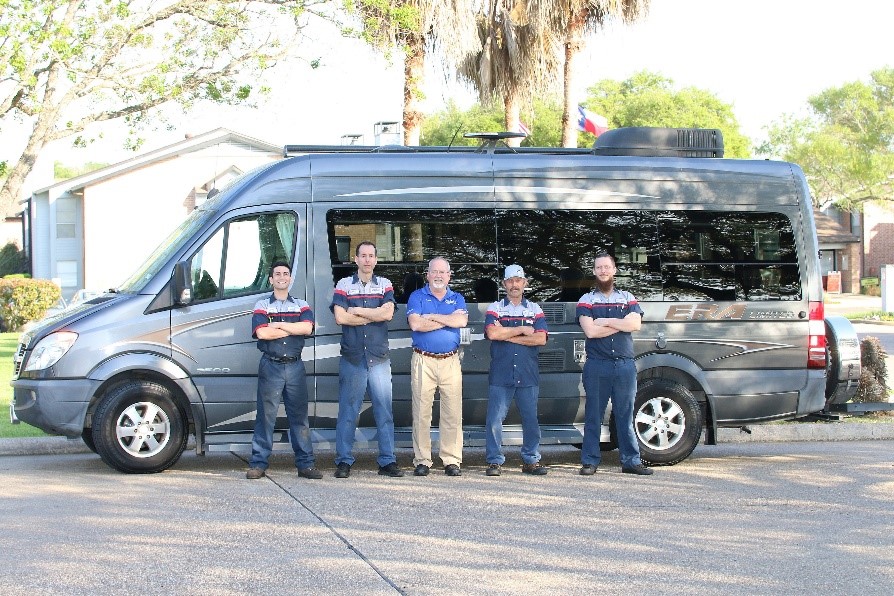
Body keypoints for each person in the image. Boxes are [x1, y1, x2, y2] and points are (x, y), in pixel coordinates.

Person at [331, 241, 404, 478]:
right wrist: (373, 316)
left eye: (371, 256)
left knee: (384, 412)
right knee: (348, 412)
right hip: (353, 358)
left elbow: (389, 313)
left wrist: (358, 311)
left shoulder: (385, 284)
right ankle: (343, 461)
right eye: (363, 256)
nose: (367, 260)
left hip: (378, 358)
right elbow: (340, 317)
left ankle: (387, 462)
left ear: (376, 260)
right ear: (356, 259)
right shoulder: (343, 284)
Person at [576, 253, 653, 476]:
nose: (603, 271)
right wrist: (622, 324)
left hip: (624, 365)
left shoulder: (628, 297)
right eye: (599, 267)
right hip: (597, 365)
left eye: (607, 267)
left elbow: (636, 324)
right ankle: (590, 461)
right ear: (594, 271)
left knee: (625, 415)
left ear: (614, 270)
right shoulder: (586, 300)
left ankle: (631, 461)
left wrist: (607, 322)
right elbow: (590, 330)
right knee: (593, 416)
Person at [246, 260, 322, 480]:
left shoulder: (301, 304)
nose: (281, 277)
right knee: (266, 417)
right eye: (277, 274)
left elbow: (307, 328)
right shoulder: (261, 304)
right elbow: (261, 333)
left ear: (290, 279)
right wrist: (292, 329)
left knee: (299, 418)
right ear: (271, 279)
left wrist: (277, 325)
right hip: (271, 365)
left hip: (295, 366)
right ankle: (258, 464)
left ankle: (305, 465)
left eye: (285, 274)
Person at [483, 264, 549, 477]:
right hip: (501, 373)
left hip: (527, 373)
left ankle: (531, 460)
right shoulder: (495, 307)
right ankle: (494, 461)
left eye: (518, 280)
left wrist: (506, 334)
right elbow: (492, 334)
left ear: (525, 283)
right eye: (510, 280)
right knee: (494, 420)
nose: (514, 284)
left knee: (531, 419)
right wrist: (521, 330)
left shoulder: (535, 309)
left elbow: (541, 338)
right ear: (504, 284)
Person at [406, 256, 468, 477]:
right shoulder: (417, 296)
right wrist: (447, 318)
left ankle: (451, 460)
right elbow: (416, 324)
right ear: (428, 274)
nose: (439, 276)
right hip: (424, 360)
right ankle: (422, 460)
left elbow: (461, 322)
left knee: (452, 412)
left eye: (443, 272)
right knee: (421, 413)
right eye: (435, 272)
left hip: (450, 361)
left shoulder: (457, 297)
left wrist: (431, 316)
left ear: (449, 276)